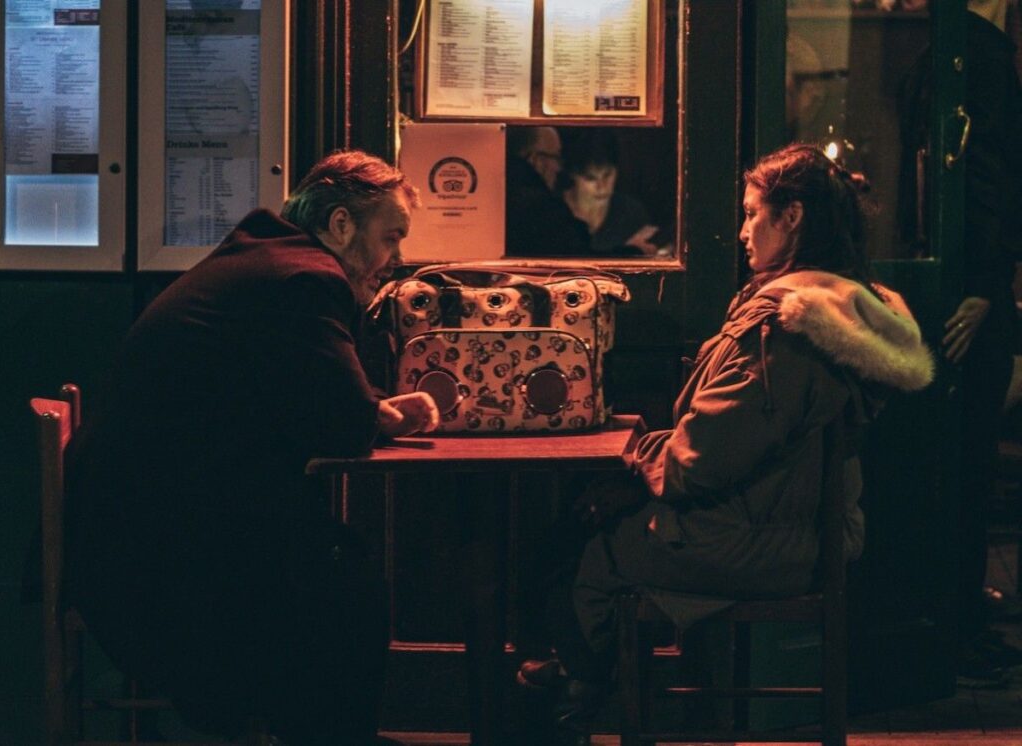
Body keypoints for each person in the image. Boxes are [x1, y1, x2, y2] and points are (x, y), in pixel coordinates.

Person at [517, 144, 935, 728]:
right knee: (585, 522)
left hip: (753, 542)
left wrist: (633, 459)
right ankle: (577, 683)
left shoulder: (785, 329)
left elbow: (696, 464)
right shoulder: (847, 305)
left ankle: (570, 703)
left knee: (575, 554)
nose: (742, 231)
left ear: (790, 217)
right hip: (801, 530)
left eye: (751, 213)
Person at [64, 150, 439, 746]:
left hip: (124, 532)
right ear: (341, 225)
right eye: (391, 239)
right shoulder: (306, 278)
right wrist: (369, 417)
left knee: (333, 562)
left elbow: (314, 396)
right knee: (349, 583)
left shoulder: (267, 258)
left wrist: (374, 415)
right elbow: (338, 425)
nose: (395, 261)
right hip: (164, 562)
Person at [899, 0, 1022, 687]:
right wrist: (987, 276)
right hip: (968, 286)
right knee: (963, 468)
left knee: (956, 466)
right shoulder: (968, 48)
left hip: (952, 283)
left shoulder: (947, 51)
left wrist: (980, 276)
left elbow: (987, 172)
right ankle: (957, 629)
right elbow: (993, 172)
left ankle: (951, 628)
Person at [559, 129, 664, 256]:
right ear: (573, 175)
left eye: (607, 175)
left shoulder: (630, 213)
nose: (601, 186)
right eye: (590, 178)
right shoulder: (554, 212)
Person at [505, 126, 591, 257]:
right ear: (535, 160)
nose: (559, 168)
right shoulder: (541, 209)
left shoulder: (495, 197)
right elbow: (574, 255)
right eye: (556, 157)